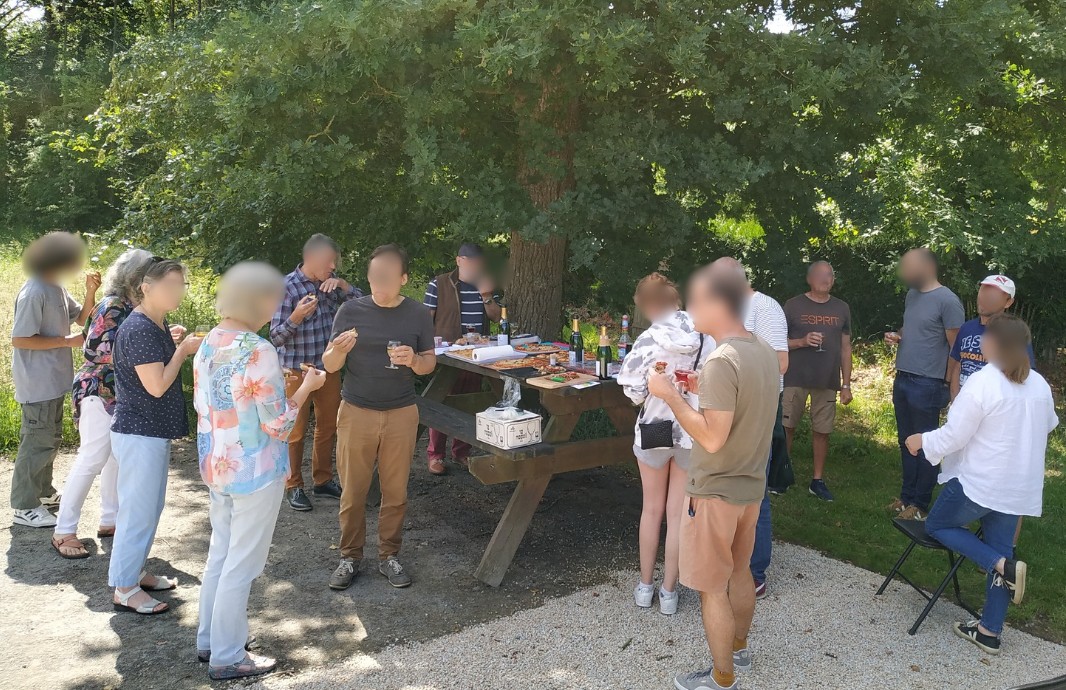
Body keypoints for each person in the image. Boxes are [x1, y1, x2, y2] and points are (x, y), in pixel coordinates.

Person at [648, 263, 779, 690]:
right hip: (750, 486)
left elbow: (711, 436)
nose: (689, 310)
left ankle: (722, 678)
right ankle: (738, 649)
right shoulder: (760, 348)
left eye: (696, 301)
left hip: (715, 490)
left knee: (711, 587)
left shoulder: (723, 360)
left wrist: (670, 394)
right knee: (740, 572)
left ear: (719, 303)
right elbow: (742, 405)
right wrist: (701, 385)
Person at [193, 262, 327, 680]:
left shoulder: (210, 340)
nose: (276, 308)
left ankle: (210, 639)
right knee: (243, 563)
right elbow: (279, 424)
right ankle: (228, 656)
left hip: (217, 463)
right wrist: (307, 387)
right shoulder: (259, 349)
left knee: (221, 553)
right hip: (254, 468)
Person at [906, 314, 1057, 656]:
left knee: (937, 525)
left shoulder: (983, 382)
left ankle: (1000, 566)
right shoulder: (1039, 384)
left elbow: (954, 436)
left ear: (994, 343)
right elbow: (1048, 424)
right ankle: (989, 632)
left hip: (981, 483)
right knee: (1005, 550)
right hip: (1017, 487)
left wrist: (921, 441)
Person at [323, 244, 436, 591]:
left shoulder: (418, 313)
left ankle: (389, 556)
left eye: (388, 274)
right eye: (375, 274)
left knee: (395, 492)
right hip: (356, 411)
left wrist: (413, 360)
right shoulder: (350, 310)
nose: (380, 280)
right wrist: (338, 350)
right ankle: (349, 557)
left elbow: (429, 363)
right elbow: (330, 365)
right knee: (353, 492)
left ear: (403, 278)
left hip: (401, 413)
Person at [108, 259, 202, 616]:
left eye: (181, 285)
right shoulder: (140, 329)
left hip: (148, 431)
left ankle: (134, 573)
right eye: (170, 285)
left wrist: (172, 342)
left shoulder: (155, 324)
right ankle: (125, 589)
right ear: (146, 287)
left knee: (149, 508)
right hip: (139, 433)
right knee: (138, 512)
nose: (177, 292)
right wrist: (182, 352)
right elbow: (157, 385)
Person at [617, 273, 713, 616]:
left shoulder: (647, 339)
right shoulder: (705, 336)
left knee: (651, 510)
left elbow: (632, 390)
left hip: (654, 429)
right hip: (690, 431)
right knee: (677, 515)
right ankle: (669, 592)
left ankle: (645, 587)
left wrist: (651, 388)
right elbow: (713, 384)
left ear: (647, 305)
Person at [52, 248, 155, 558]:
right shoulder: (113, 305)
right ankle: (63, 531)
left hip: (117, 392)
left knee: (113, 458)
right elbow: (95, 350)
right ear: (137, 278)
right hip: (99, 389)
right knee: (92, 458)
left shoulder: (133, 306)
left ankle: (110, 519)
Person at [708, 258, 788, 600]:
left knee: (755, 489)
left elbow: (780, 362)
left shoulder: (765, 307)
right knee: (727, 487)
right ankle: (727, 564)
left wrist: (733, 378)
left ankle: (754, 572)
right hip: (724, 405)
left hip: (755, 408)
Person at [10, 231, 99, 528]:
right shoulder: (34, 291)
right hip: (37, 383)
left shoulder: (55, 286)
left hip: (54, 380)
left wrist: (90, 291)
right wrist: (66, 341)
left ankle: (44, 493)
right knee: (36, 441)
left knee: (49, 438)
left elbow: (82, 319)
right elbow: (20, 339)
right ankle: (24, 506)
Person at [270, 233, 362, 512]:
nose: (333, 266)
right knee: (294, 430)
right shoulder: (285, 288)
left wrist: (344, 285)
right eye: (329, 261)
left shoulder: (331, 284)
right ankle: (293, 485)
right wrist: (296, 317)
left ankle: (322, 480)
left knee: (328, 426)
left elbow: (365, 305)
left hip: (327, 368)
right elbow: (275, 337)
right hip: (295, 372)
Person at [884, 248, 965, 520]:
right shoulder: (912, 295)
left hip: (929, 383)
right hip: (903, 377)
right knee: (905, 441)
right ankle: (906, 498)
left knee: (926, 446)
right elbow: (912, 329)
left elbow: (957, 348)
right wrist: (898, 335)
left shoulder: (948, 300)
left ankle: (920, 505)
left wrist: (948, 385)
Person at [422, 242, 501, 475]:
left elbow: (497, 317)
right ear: (459, 261)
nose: (475, 267)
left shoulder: (486, 284)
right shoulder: (439, 283)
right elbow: (425, 319)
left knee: (470, 401)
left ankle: (461, 452)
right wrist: (427, 347)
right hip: (446, 354)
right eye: (470, 262)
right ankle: (435, 455)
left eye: (479, 263)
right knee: (441, 400)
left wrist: (487, 296)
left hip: (477, 354)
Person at [782, 260, 854, 502]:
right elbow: (777, 342)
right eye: (821, 275)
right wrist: (802, 342)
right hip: (794, 376)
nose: (826, 279)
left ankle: (817, 480)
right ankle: (782, 472)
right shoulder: (793, 305)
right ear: (809, 279)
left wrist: (846, 384)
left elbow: (846, 347)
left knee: (822, 430)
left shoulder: (841, 308)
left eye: (830, 275)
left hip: (827, 379)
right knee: (787, 426)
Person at [948, 275, 1033, 400]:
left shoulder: (1014, 333)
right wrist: (955, 399)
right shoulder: (966, 328)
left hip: (995, 404)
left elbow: (1024, 373)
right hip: (964, 401)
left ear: (1008, 302)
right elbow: (957, 363)